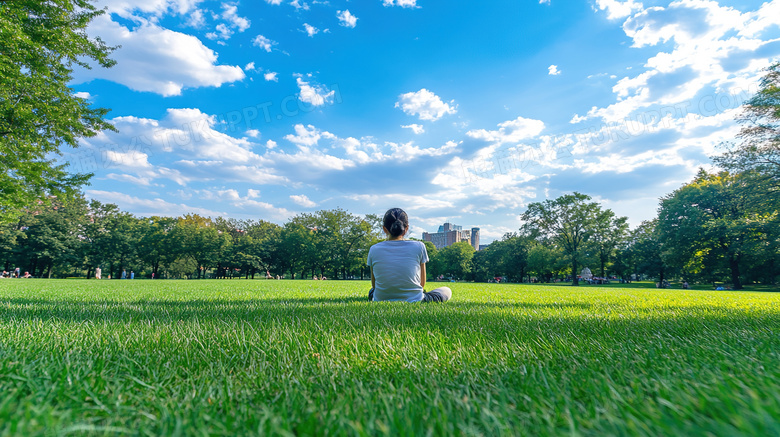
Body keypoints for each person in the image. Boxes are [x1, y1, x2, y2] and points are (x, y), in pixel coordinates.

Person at [366, 208, 452, 303]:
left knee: (371, 291)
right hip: (415, 299)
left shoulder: (374, 249)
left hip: (381, 299)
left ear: (384, 229)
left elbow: (374, 286)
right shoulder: (419, 246)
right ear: (406, 229)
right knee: (447, 290)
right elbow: (422, 284)